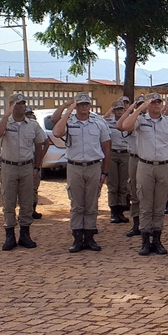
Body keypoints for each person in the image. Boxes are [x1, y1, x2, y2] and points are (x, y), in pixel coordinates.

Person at [117, 93, 168, 256]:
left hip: (164, 166)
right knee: (145, 204)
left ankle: (157, 240)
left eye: (159, 102)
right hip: (145, 165)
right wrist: (139, 109)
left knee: (159, 205)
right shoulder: (140, 120)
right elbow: (125, 126)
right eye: (153, 103)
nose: (156, 105)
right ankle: (145, 241)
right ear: (148, 105)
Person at [52, 93, 112, 253]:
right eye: (80, 104)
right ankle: (77, 238)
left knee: (91, 204)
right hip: (74, 166)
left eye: (86, 104)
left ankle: (90, 237)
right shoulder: (69, 122)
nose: (84, 107)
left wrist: (104, 171)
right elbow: (57, 133)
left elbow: (106, 147)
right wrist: (68, 109)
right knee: (77, 204)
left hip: (93, 166)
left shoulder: (98, 123)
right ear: (76, 106)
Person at [0, 94, 47, 250]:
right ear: (11, 105)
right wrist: (6, 115)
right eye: (18, 103)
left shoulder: (32, 125)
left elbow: (40, 145)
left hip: (26, 166)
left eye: (23, 103)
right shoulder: (4, 123)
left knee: (26, 202)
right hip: (8, 166)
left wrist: (36, 167)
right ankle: (10, 236)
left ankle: (25, 235)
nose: (22, 106)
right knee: (8, 202)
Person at [104, 100, 130, 223]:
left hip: (125, 154)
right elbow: (102, 119)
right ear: (113, 111)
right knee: (113, 185)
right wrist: (110, 110)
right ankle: (113, 212)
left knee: (123, 185)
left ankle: (121, 211)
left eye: (121, 109)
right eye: (117, 109)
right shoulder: (108, 122)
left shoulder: (128, 121)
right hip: (113, 154)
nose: (119, 111)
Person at [23, 106, 49, 220]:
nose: (29, 116)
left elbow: (46, 142)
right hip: (23, 160)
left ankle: (32, 210)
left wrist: (40, 157)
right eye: (27, 114)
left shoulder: (35, 127)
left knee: (34, 186)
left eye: (30, 114)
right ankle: (24, 211)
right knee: (23, 188)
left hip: (34, 160)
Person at [123, 95, 144, 237]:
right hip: (135, 159)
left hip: (147, 160)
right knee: (135, 193)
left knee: (148, 194)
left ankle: (147, 225)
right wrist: (131, 109)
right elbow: (121, 125)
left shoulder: (152, 120)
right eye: (139, 105)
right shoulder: (132, 120)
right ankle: (136, 224)